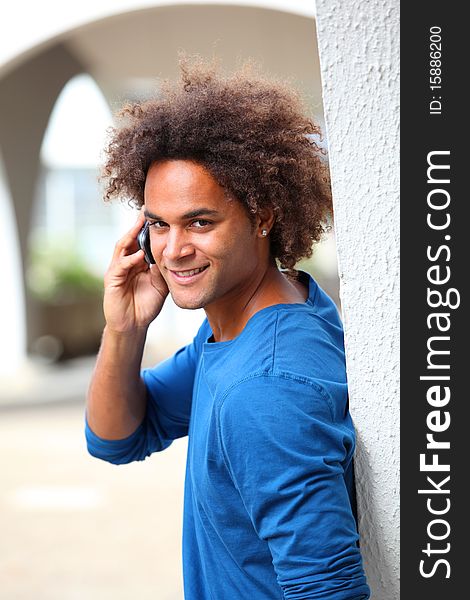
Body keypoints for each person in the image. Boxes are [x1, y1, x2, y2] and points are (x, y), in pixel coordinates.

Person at [85, 57, 370, 599]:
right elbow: (115, 438)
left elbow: (327, 591)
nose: (173, 250)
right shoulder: (254, 321)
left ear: (262, 214)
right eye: (157, 224)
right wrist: (125, 328)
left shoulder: (265, 387)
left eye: (200, 221)